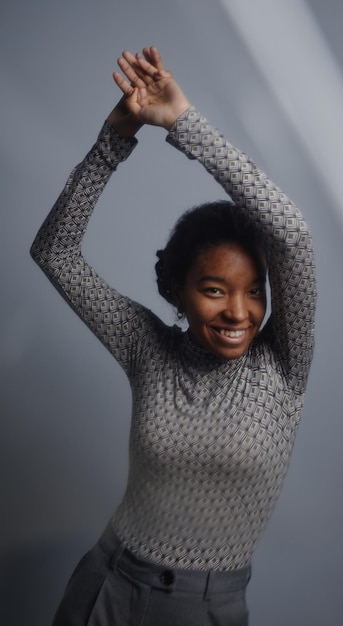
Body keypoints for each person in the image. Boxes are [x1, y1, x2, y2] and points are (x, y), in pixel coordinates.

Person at [31, 46, 316, 626]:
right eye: (215, 290)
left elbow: (291, 235)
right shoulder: (147, 346)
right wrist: (114, 138)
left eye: (255, 290)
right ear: (177, 292)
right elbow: (54, 251)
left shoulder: (283, 366)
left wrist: (183, 123)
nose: (240, 312)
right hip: (105, 586)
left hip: (206, 607)